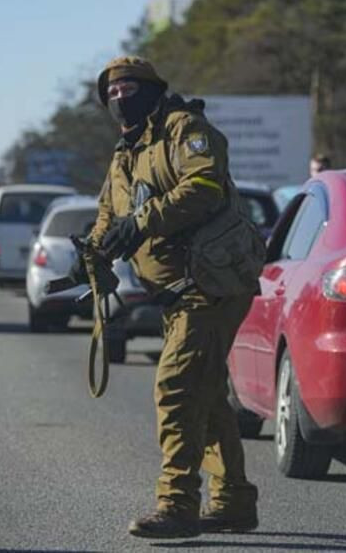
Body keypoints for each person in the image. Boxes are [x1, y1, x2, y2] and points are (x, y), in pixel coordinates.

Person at [85, 56, 259, 539]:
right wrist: (97, 252)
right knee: (206, 392)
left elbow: (202, 186)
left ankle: (177, 504)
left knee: (178, 388)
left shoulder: (186, 129)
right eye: (112, 93)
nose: (121, 98)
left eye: (129, 88)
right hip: (174, 291)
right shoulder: (125, 153)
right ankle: (234, 501)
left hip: (212, 282)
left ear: (153, 89)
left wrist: (139, 223)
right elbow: (108, 212)